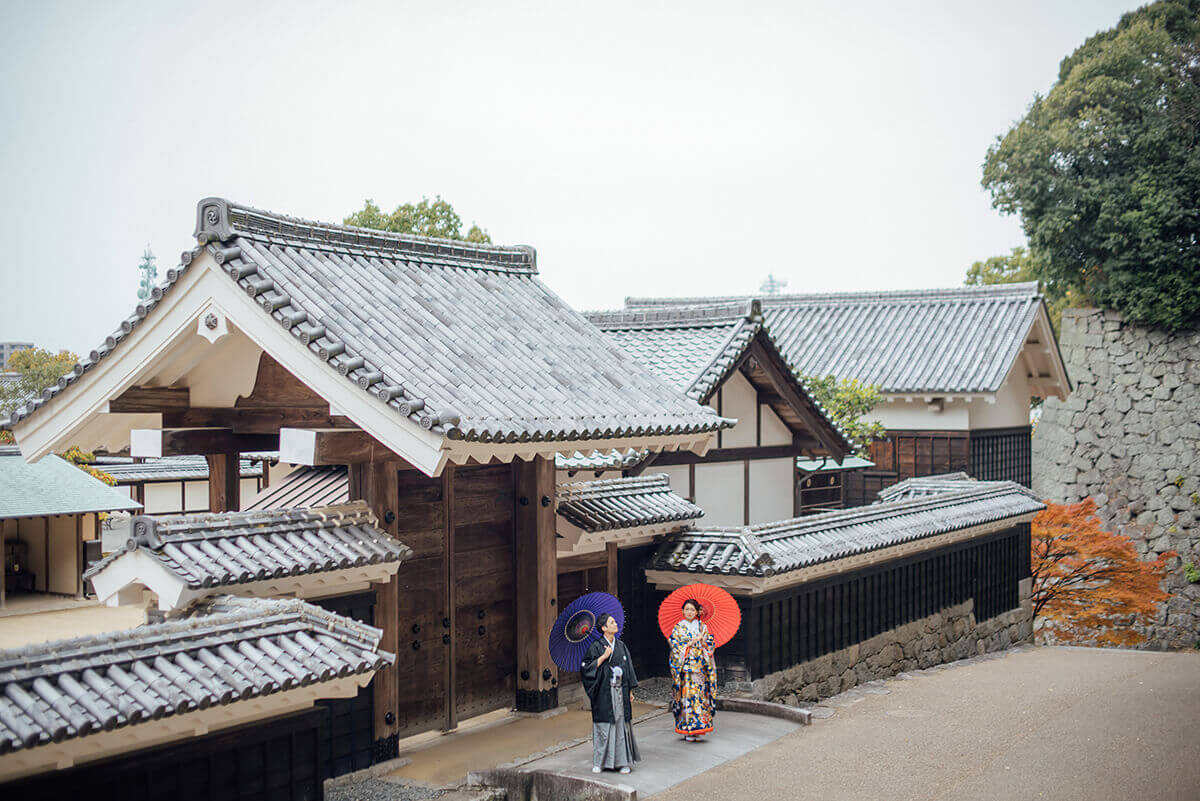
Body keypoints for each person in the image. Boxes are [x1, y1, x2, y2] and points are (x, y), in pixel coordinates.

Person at [580, 612, 641, 774]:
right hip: (603, 692)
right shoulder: (596, 647)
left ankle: (622, 762)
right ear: (604, 628)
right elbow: (586, 668)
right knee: (604, 727)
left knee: (620, 725)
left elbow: (628, 669)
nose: (615, 624)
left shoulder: (621, 646)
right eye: (612, 622)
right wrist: (603, 657)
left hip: (620, 690)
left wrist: (629, 690)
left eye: (614, 622)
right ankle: (600, 762)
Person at [668, 599, 717, 741]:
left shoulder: (703, 627)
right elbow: (675, 647)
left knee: (700, 698)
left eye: (692, 610)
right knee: (687, 698)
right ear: (683, 611)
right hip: (686, 668)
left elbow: (710, 646)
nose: (689, 612)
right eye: (687, 609)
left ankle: (700, 727)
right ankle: (688, 729)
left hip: (700, 668)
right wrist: (690, 643)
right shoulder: (678, 627)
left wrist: (703, 642)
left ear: (697, 612)